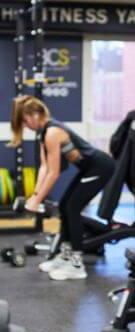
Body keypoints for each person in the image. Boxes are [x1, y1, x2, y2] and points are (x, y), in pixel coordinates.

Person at [9, 96, 115, 280]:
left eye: (26, 121)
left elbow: (54, 173)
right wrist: (35, 196)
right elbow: (44, 167)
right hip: (88, 168)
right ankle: (65, 255)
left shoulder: (52, 132)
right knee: (65, 205)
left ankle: (76, 264)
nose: (26, 126)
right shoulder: (43, 133)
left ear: (35, 115)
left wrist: (38, 200)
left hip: (101, 167)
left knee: (72, 208)